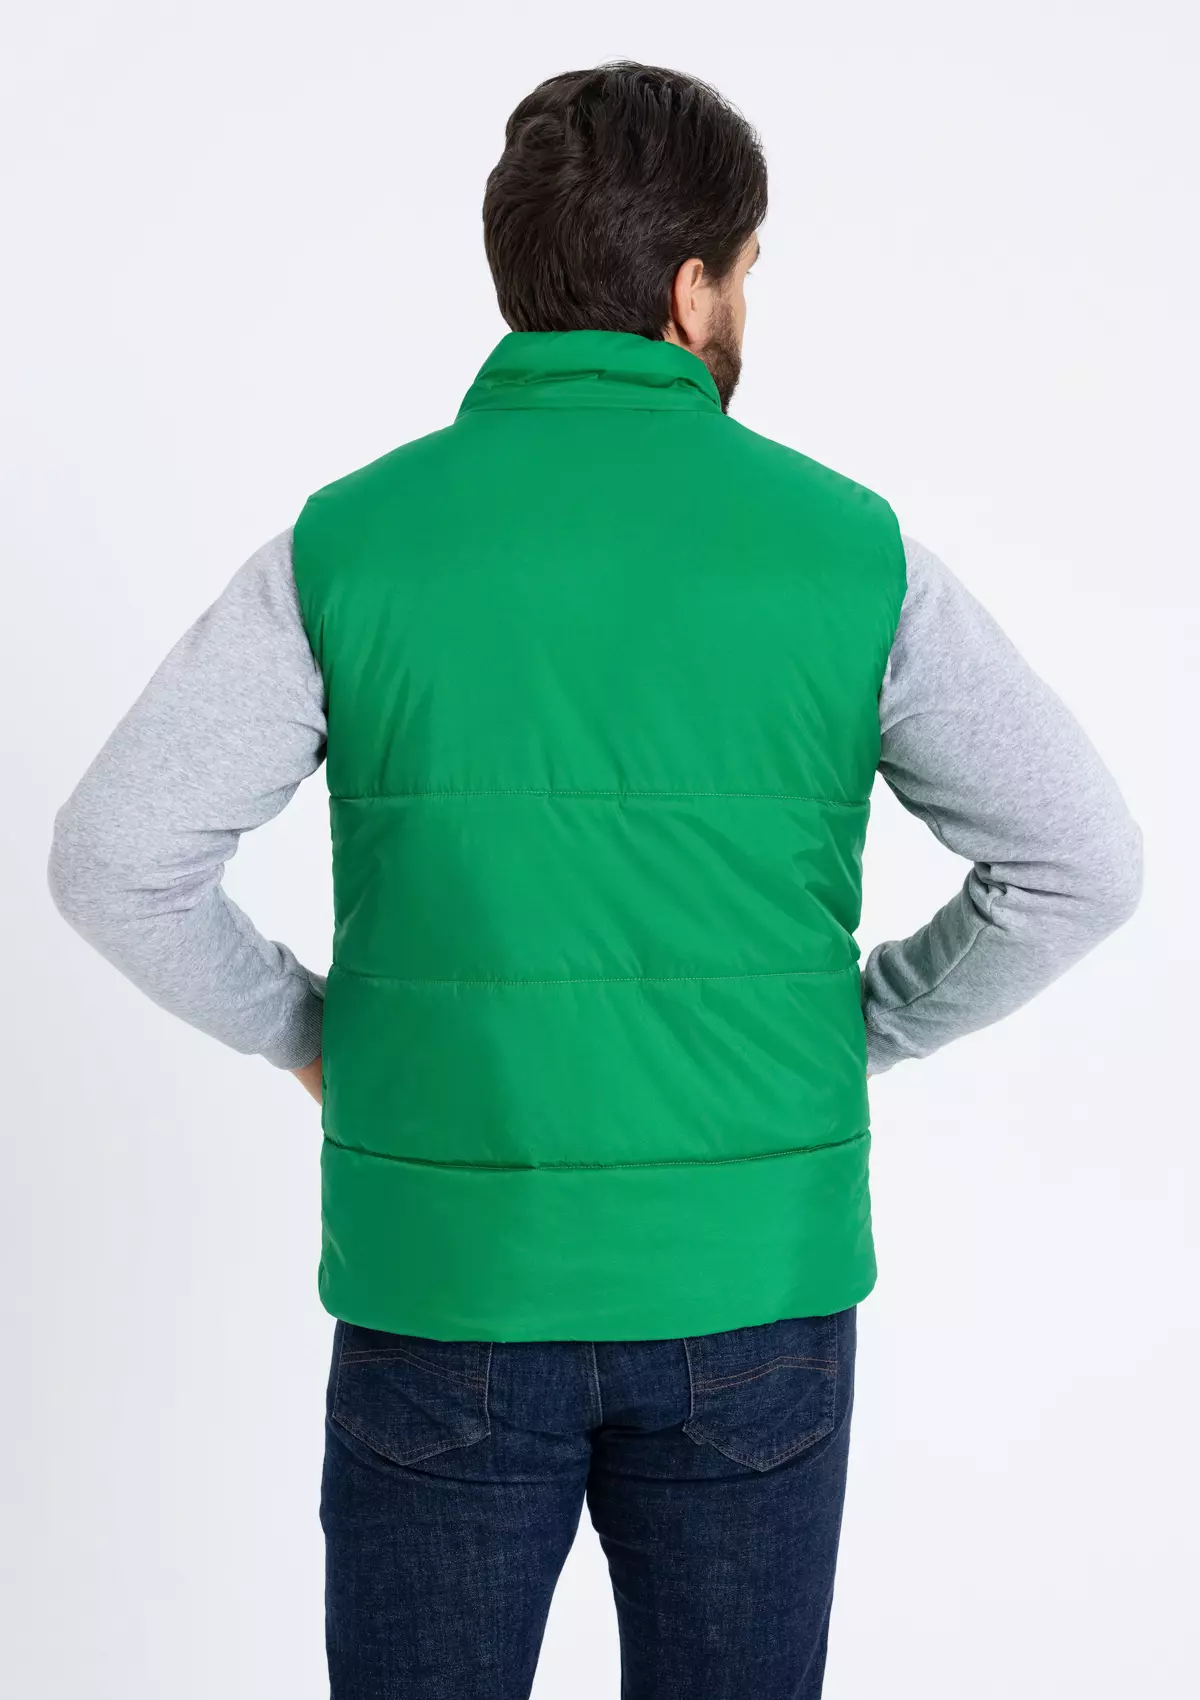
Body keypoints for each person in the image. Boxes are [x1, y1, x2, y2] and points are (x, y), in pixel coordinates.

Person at [47, 60, 1143, 1700]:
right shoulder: (853, 550)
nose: (746, 306)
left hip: (448, 1286)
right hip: (753, 1283)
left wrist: (312, 1036)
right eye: (748, 272)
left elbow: (115, 859)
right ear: (692, 290)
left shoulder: (349, 543)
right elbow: (1081, 862)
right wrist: (861, 1032)